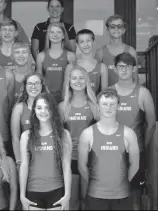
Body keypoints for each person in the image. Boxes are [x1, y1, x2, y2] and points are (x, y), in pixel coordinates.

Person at [78, 88, 140, 210]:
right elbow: (81, 167)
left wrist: (120, 184)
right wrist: (96, 185)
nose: (108, 107)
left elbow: (135, 165)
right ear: (98, 106)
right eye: (104, 104)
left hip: (122, 196)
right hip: (95, 195)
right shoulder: (87, 134)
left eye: (112, 104)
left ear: (118, 106)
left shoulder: (128, 133)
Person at [111, 52, 156, 210]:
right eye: (120, 66)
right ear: (115, 69)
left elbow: (151, 124)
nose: (123, 70)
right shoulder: (109, 92)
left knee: (135, 198)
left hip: (136, 154)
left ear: (134, 69)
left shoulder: (143, 93)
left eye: (128, 66)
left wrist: (142, 146)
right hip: (110, 152)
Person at [19, 92, 72, 210]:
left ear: (53, 109)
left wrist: (67, 194)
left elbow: (66, 165)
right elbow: (24, 165)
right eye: (39, 108)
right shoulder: (26, 136)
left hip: (57, 190)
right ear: (34, 111)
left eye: (47, 107)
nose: (43, 111)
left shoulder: (63, 134)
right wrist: (22, 195)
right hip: (33, 191)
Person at [58, 66, 99, 210]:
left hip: (91, 159)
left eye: (82, 78)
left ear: (87, 81)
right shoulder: (62, 107)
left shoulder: (94, 106)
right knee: (72, 201)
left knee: (88, 199)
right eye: (74, 78)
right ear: (69, 82)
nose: (78, 81)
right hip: (71, 159)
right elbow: (58, 136)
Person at [11, 73, 48, 166]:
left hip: (46, 155)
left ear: (41, 86)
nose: (33, 86)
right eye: (30, 83)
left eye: (36, 83)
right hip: (26, 157)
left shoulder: (49, 106)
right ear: (25, 86)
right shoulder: (19, 108)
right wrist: (19, 161)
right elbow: (15, 137)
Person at [36, 23, 76, 103]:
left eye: (59, 32)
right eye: (52, 32)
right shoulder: (41, 56)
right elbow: (39, 80)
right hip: (47, 97)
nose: (55, 35)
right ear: (48, 35)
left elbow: (74, 80)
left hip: (65, 98)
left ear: (63, 36)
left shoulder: (70, 56)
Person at [95, 15, 138, 86]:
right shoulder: (100, 52)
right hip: (108, 94)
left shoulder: (131, 51)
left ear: (124, 30)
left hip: (127, 93)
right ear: (107, 30)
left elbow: (135, 77)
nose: (116, 29)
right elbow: (96, 79)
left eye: (119, 26)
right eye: (112, 26)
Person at [73, 29, 108, 94]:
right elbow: (66, 93)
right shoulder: (71, 66)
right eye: (82, 42)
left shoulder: (102, 67)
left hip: (95, 103)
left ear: (93, 42)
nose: (85, 44)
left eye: (88, 41)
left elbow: (104, 94)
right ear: (77, 45)